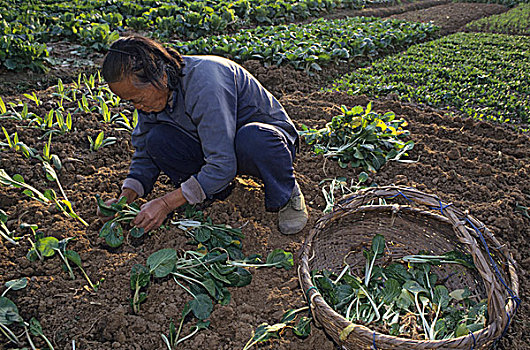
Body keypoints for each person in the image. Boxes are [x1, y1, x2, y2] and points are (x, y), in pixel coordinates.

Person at [97, 35, 308, 235]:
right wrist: (124, 199)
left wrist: (166, 203)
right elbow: (144, 153)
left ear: (160, 77)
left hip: (265, 142)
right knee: (157, 138)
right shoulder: (151, 101)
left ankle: (286, 192)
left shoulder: (205, 82)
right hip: (216, 145)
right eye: (130, 101)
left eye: (138, 98)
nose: (137, 106)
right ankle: (215, 190)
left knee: (252, 138)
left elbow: (222, 163)